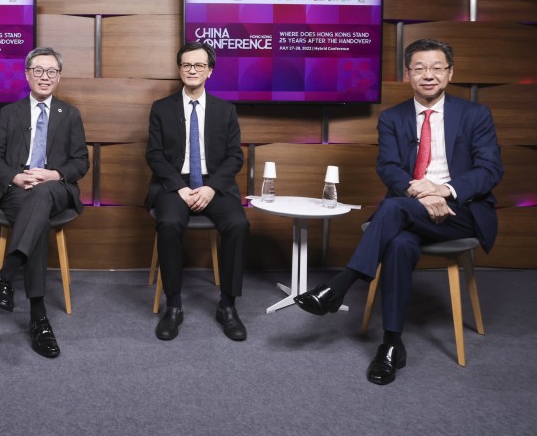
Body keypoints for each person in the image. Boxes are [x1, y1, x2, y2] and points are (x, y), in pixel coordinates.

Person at [294, 38, 504, 385]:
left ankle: (339, 285)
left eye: (437, 68)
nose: (428, 75)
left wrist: (444, 190)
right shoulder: (393, 117)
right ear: (408, 74)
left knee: (391, 208)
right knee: (399, 244)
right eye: (420, 68)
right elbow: (389, 167)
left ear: (450, 74)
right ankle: (392, 345)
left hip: (461, 211)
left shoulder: (475, 114)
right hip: (411, 207)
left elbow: (490, 170)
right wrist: (418, 191)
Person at [0, 47, 89, 358]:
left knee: (42, 196)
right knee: (37, 217)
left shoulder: (70, 114)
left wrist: (54, 174)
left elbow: (81, 162)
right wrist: (16, 178)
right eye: (39, 71)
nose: (45, 77)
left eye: (52, 72)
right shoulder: (10, 113)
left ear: (59, 77)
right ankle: (38, 319)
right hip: (18, 190)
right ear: (27, 74)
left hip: (56, 189)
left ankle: (5, 277)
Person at [146, 41, 250, 342]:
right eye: (187, 65)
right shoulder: (161, 109)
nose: (192, 70)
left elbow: (235, 157)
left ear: (210, 71)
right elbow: (154, 155)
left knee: (239, 225)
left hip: (213, 182)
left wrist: (211, 187)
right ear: (180, 70)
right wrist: (179, 188)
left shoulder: (225, 110)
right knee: (167, 223)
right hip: (173, 183)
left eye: (199, 65)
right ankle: (174, 306)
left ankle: (228, 306)